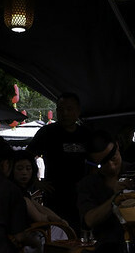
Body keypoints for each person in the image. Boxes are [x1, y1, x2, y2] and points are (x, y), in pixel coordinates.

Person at [75, 130, 132, 253]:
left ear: (118, 148)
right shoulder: (88, 185)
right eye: (103, 164)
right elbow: (89, 220)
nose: (112, 166)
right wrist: (115, 198)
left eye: (114, 159)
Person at [26, 92, 91, 231]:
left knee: (81, 233)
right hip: (55, 196)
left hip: (81, 196)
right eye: (60, 110)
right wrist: (36, 182)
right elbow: (26, 156)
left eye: (69, 109)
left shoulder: (85, 134)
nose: (65, 113)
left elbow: (96, 161)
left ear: (78, 111)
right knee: (57, 233)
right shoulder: (47, 133)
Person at [10, 150, 67, 225]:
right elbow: (39, 217)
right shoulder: (15, 192)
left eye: (28, 168)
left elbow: (41, 208)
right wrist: (58, 221)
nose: (24, 172)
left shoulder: (23, 192)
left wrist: (61, 220)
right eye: (20, 169)